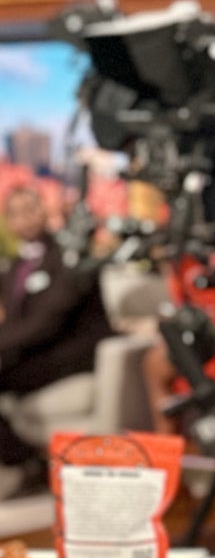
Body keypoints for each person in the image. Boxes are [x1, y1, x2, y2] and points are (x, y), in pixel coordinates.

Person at [0, 181, 112, 496]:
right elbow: (16, 324)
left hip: (71, 354)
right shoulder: (13, 268)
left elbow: (47, 322)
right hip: (35, 354)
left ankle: (26, 462)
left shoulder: (69, 256)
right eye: (16, 213)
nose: (25, 218)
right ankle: (23, 457)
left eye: (30, 208)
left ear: (43, 210)